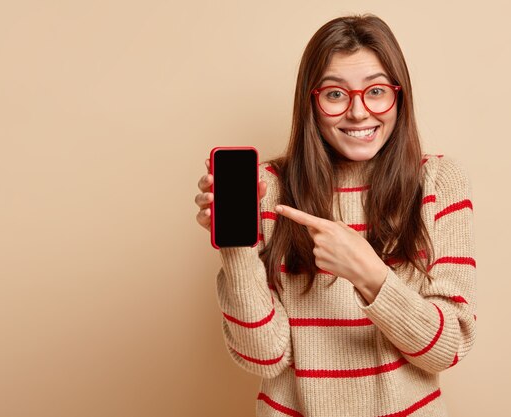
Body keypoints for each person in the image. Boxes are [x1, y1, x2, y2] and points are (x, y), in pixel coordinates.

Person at [194, 14, 476, 417]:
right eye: (335, 94)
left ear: (400, 96)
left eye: (376, 91)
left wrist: (368, 272)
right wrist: (235, 248)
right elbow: (264, 358)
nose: (359, 113)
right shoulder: (268, 188)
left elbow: (448, 347)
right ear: (311, 101)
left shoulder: (438, 182)